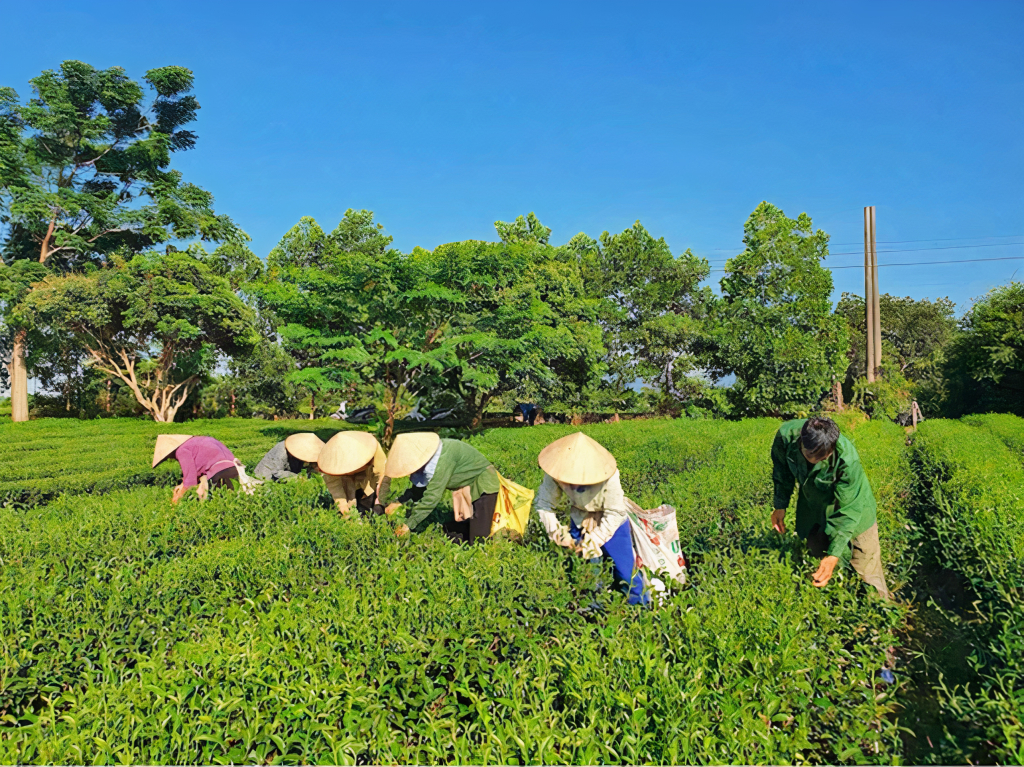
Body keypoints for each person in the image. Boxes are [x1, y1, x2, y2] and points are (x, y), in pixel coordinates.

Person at [771, 416, 892, 600]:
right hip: (815, 510)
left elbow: (849, 510)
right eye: (809, 455)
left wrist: (834, 554)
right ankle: (835, 611)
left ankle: (881, 614)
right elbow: (782, 471)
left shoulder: (847, 460)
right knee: (819, 565)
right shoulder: (786, 436)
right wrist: (780, 505)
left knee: (866, 572)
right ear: (801, 441)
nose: (815, 461)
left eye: (822, 457)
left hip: (855, 512)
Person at [534, 432, 647, 606]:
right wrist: (557, 533)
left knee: (625, 573)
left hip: (611, 521)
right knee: (585, 572)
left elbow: (615, 513)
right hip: (580, 519)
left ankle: (642, 612)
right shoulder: (556, 472)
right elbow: (544, 504)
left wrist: (594, 540)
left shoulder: (609, 475)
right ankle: (593, 612)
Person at [383, 432, 500, 543]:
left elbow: (431, 498)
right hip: (467, 487)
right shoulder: (430, 459)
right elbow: (419, 489)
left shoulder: (443, 460)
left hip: (484, 485)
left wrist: (408, 525)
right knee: (449, 529)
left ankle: (503, 534)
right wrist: (399, 502)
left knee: (478, 540)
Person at [152, 434, 244, 504]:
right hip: (233, 466)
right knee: (230, 498)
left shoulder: (181, 451)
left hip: (216, 471)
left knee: (207, 499)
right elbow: (199, 467)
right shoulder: (197, 441)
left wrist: (177, 498)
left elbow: (191, 481)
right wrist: (182, 484)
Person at [317, 431, 390, 517]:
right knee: (349, 501)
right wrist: (344, 510)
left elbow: (383, 475)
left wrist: (380, 499)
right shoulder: (331, 461)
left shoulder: (372, 449)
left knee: (369, 502)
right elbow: (334, 486)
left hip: (368, 477)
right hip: (347, 479)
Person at [253, 433, 325, 481]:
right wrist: (298, 478)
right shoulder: (281, 452)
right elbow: (276, 473)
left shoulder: (299, 450)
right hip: (266, 477)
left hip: (284, 474)